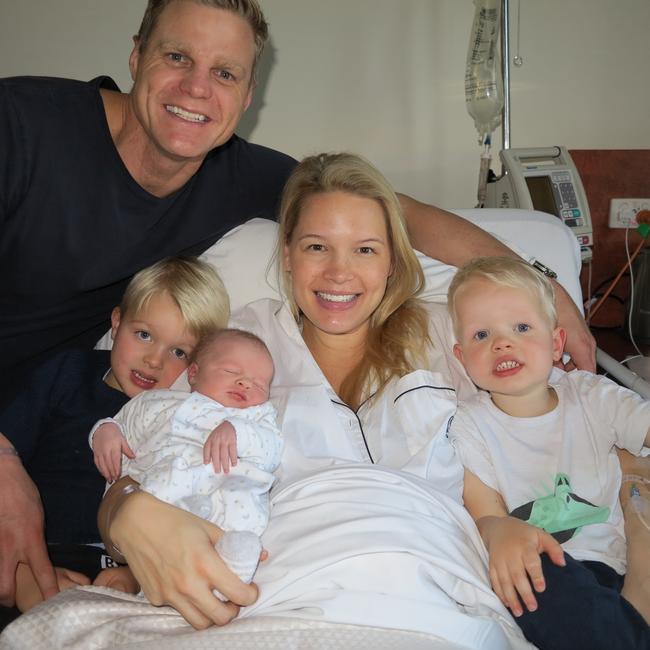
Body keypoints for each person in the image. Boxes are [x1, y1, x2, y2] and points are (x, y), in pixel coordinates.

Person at [0, 0, 596, 613]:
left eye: (225, 73)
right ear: (135, 54)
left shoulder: (234, 173)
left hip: (48, 415)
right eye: (177, 56)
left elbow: (397, 212)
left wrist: (545, 288)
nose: (197, 88)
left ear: (247, 93)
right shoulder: (23, 127)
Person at [57, 152, 530, 650]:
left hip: (437, 584)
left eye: (365, 250)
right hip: (277, 589)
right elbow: (139, 461)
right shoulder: (240, 342)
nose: (338, 273)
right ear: (287, 255)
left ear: (393, 259)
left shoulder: (449, 335)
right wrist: (128, 516)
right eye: (316, 247)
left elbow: (573, 413)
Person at [0, 257, 230, 620]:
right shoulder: (68, 371)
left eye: (178, 352)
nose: (154, 360)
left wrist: (131, 576)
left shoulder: (183, 413)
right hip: (35, 547)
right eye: (144, 335)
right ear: (117, 321)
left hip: (125, 562)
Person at [446, 256, 650, 649]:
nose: (502, 342)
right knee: (537, 574)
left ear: (556, 343)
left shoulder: (593, 397)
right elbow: (484, 512)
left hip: (609, 565)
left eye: (522, 327)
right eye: (481, 335)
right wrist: (500, 528)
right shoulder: (468, 425)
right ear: (461, 358)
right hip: (534, 568)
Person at [88, 328, 281, 600]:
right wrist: (104, 431)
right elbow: (122, 425)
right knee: (153, 515)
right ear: (193, 373)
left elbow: (272, 448)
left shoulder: (256, 416)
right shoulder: (157, 403)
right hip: (161, 498)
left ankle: (228, 574)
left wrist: (239, 432)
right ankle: (146, 581)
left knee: (241, 527)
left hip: (225, 499)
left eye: (259, 384)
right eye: (230, 372)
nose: (246, 384)